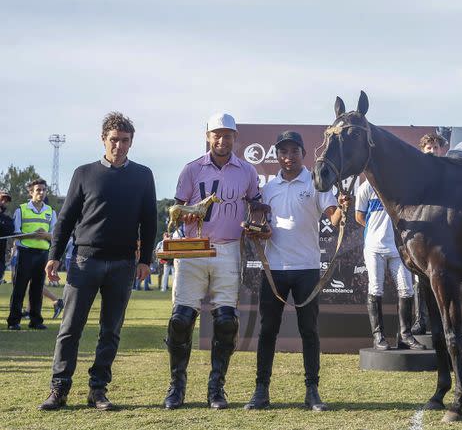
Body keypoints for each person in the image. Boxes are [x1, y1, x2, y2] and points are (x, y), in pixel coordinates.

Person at [38, 112, 157, 411]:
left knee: (110, 331)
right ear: (103, 139)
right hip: (84, 261)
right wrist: (54, 256)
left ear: (131, 142)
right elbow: (65, 220)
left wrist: (145, 260)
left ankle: (98, 389)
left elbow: (149, 221)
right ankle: (59, 388)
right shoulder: (84, 173)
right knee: (69, 329)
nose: (119, 145)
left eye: (125, 140)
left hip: (123, 265)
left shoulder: (143, 175)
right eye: (114, 140)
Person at [162, 113, 262, 410]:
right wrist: (187, 217)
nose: (222, 140)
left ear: (235, 136)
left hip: (229, 249)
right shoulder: (192, 169)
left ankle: (216, 388)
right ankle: (176, 387)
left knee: (226, 321)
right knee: (180, 320)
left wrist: (257, 222)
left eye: (228, 135)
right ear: (208, 136)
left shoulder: (247, 170)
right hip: (192, 249)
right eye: (217, 134)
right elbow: (178, 208)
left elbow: (256, 204)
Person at [244, 131, 346, 412]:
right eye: (283, 152)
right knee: (267, 331)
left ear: (303, 153)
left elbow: (334, 218)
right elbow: (260, 227)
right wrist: (260, 232)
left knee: (309, 331)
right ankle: (261, 390)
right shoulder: (267, 189)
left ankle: (312, 391)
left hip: (307, 268)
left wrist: (343, 210)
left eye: (294, 151)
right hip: (274, 270)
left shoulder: (316, 183)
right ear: (277, 155)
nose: (288, 157)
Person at [355, 178, 425, 351]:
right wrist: (375, 229)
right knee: (376, 289)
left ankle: (405, 336)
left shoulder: (398, 184)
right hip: (374, 247)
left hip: (398, 247)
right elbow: (359, 216)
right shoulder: (365, 188)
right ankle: (378, 337)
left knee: (407, 290)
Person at [411, 132, 449, 335]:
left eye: (436, 148)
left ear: (441, 150)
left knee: (447, 278)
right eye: (429, 148)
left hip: (448, 233)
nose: (433, 151)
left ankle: (447, 322)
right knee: (421, 279)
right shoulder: (415, 174)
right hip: (424, 235)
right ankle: (420, 320)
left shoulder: (449, 170)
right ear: (422, 150)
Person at [7, 179, 56, 330]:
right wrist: (32, 235)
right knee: (19, 289)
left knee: (37, 289)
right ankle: (13, 321)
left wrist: (46, 235)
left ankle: (36, 321)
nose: (41, 193)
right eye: (38, 190)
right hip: (25, 254)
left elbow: (55, 235)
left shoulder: (50, 211)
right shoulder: (21, 210)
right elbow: (15, 233)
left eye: (43, 190)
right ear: (31, 192)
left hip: (42, 254)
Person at [0, 190, 14, 284]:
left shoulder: (7, 219)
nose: (4, 202)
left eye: (6, 200)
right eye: (2, 199)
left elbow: (9, 231)